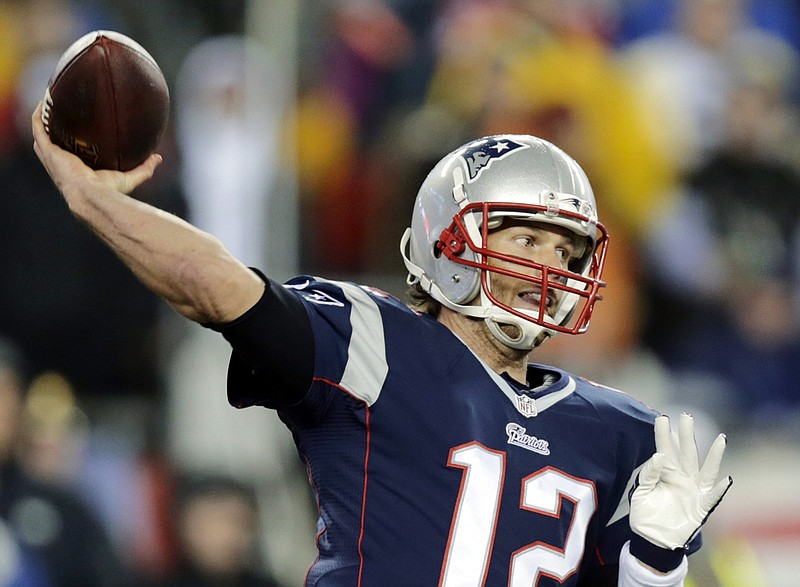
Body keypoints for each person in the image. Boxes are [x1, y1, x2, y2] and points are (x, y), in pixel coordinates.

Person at [31, 103, 732, 586]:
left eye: (566, 250)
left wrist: (653, 562)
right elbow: (215, 287)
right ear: (448, 239)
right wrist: (101, 203)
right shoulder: (374, 343)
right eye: (524, 239)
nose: (548, 269)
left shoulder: (622, 435)